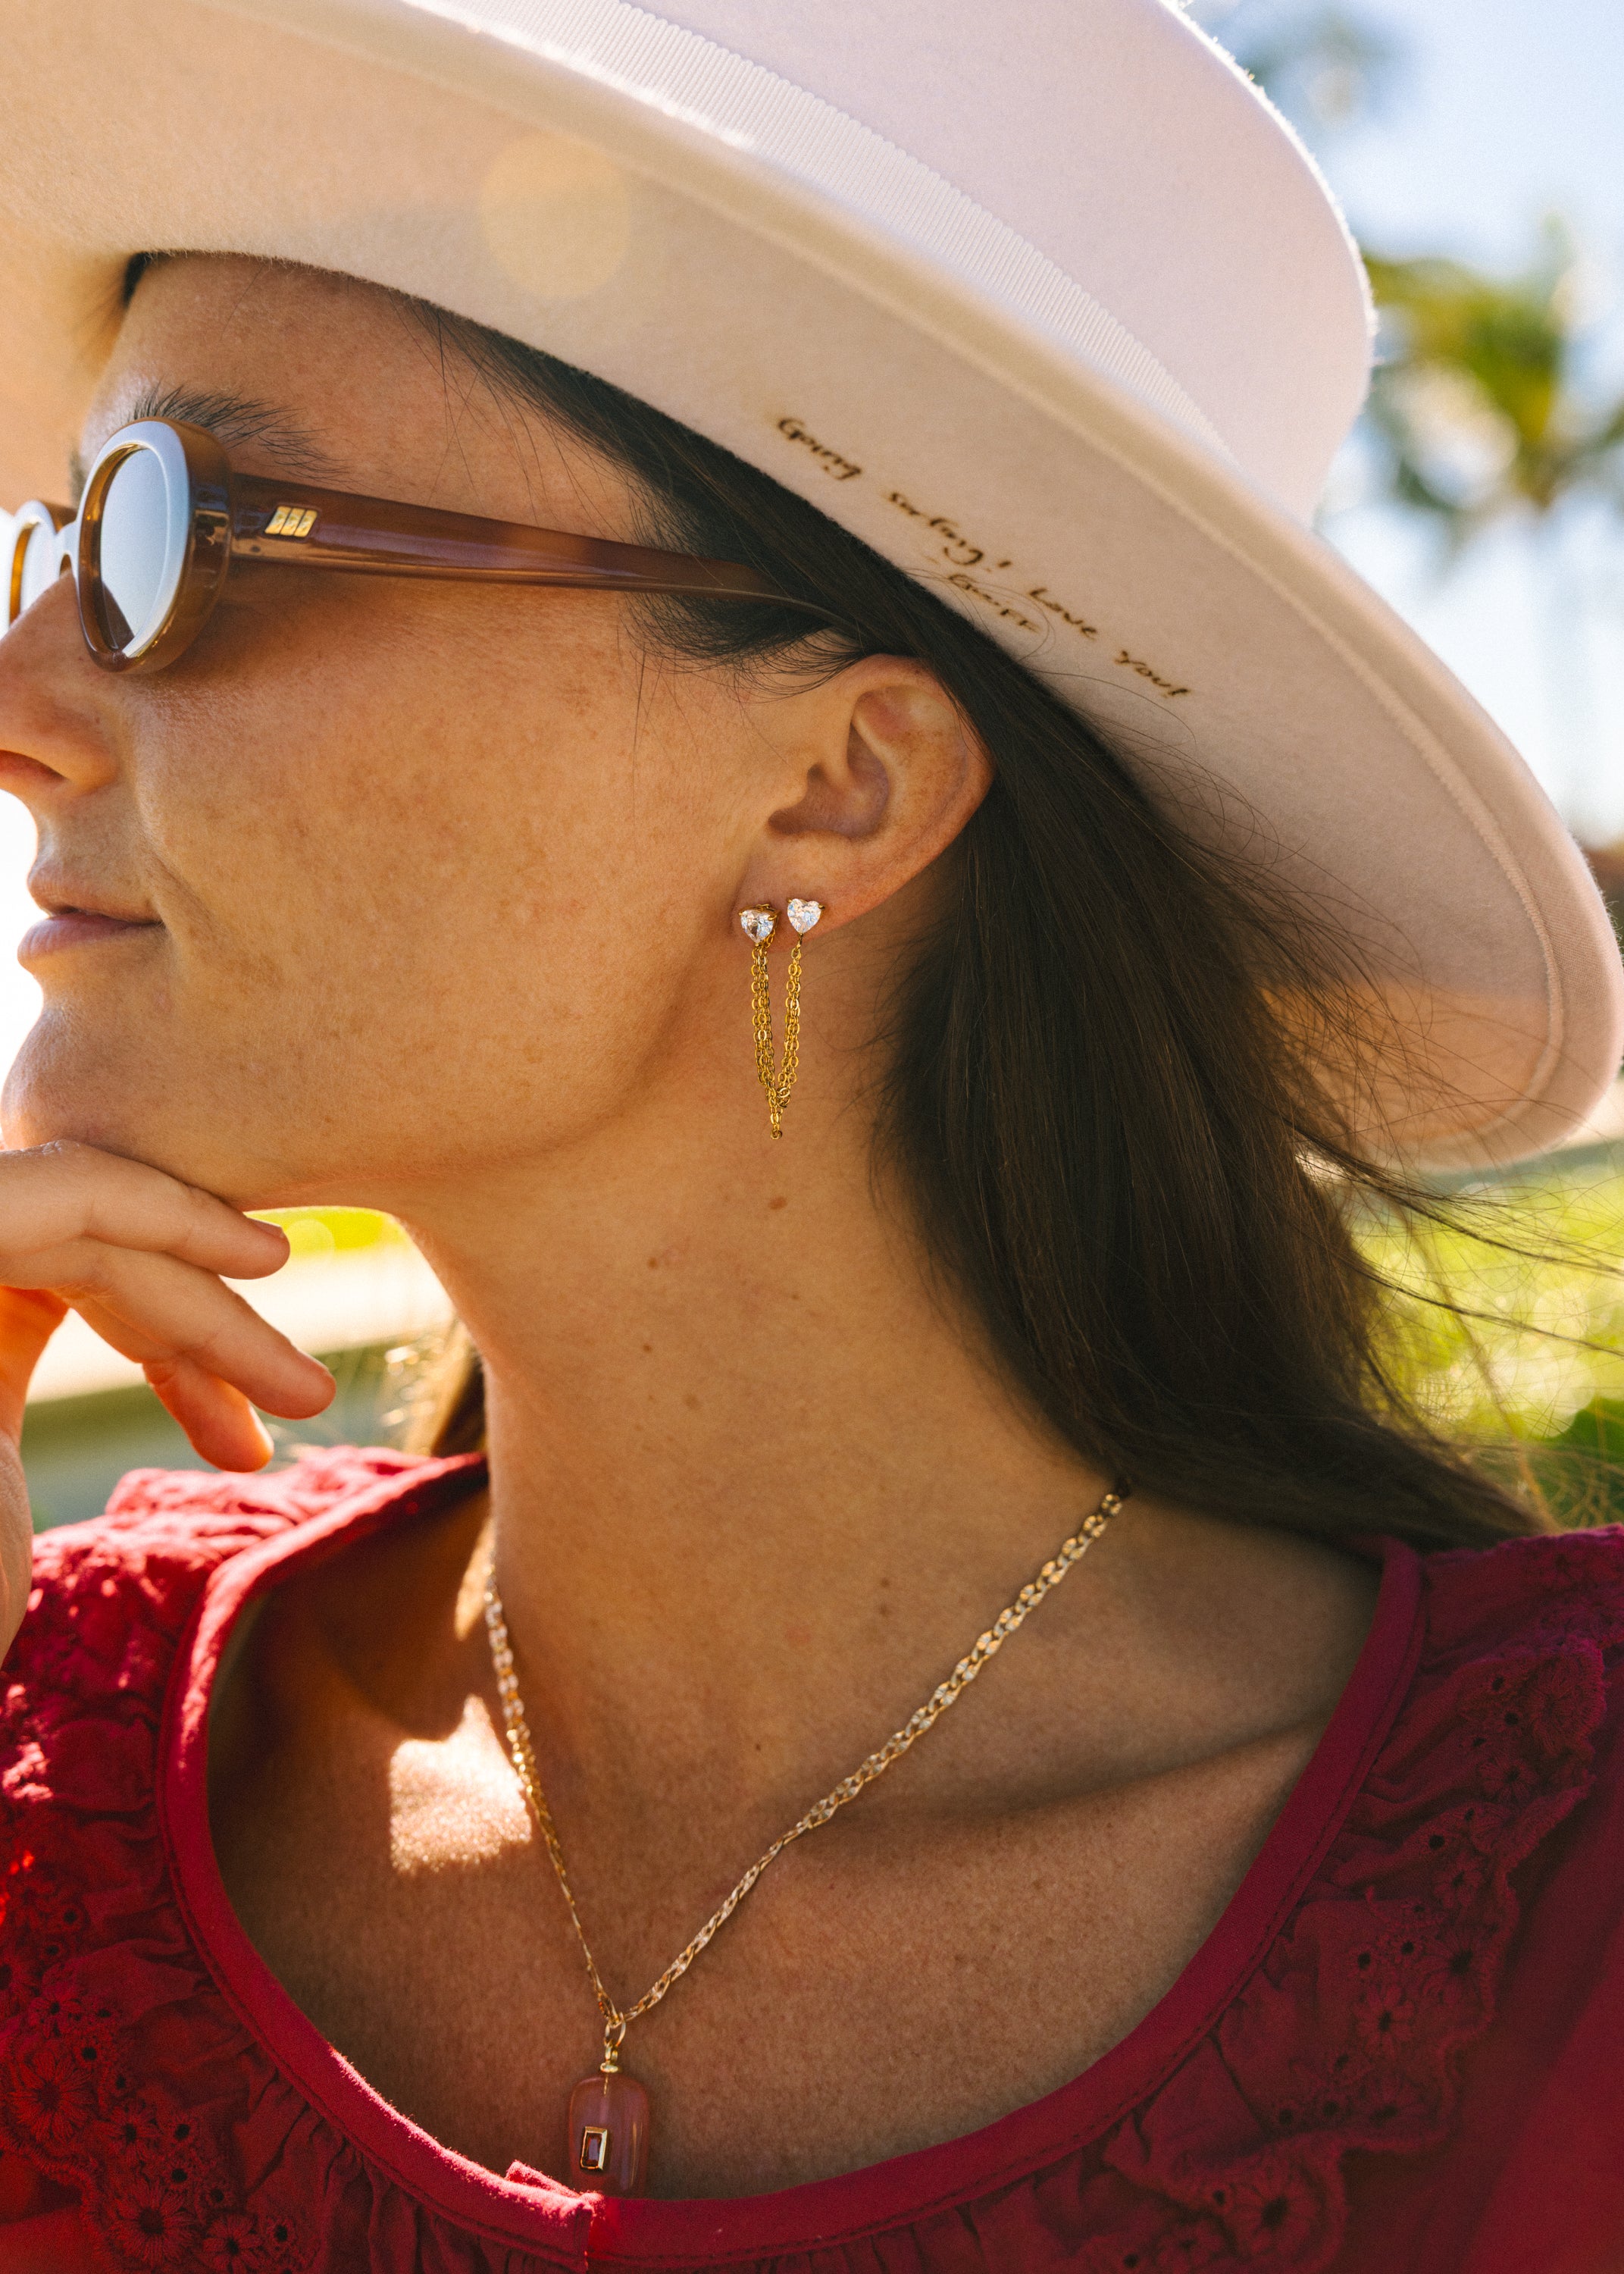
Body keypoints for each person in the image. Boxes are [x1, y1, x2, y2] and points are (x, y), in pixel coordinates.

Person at [0, 2, 1621, 2268]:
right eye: (50, 542)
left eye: (178, 541)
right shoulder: (40, 1739)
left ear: (834, 785)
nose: (21, 707)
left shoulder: (1564, 1918)